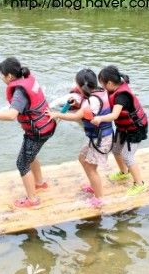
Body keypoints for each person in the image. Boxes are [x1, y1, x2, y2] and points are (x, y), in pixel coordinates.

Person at [0, 57, 56, 208]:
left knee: (22, 163)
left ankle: (32, 200)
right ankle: (39, 183)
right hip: (46, 125)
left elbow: (11, 115)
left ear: (10, 76)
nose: (1, 78)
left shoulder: (19, 92)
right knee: (31, 155)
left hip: (37, 132)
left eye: (2, 75)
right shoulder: (27, 80)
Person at [47, 69, 114, 208]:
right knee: (82, 158)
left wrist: (56, 115)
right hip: (97, 137)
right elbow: (85, 109)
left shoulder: (90, 101)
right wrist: (76, 103)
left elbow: (77, 116)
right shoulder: (99, 92)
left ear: (79, 85)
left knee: (91, 168)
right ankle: (94, 186)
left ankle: (99, 198)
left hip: (101, 139)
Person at [91, 66, 149, 196]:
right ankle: (124, 172)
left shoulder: (121, 96)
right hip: (123, 128)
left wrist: (100, 118)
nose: (102, 86)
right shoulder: (114, 89)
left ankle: (140, 184)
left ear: (110, 83)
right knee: (116, 150)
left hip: (135, 130)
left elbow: (114, 115)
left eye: (102, 83)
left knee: (127, 156)